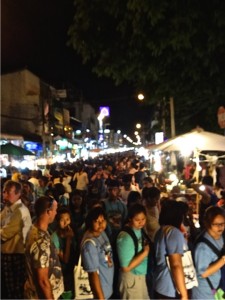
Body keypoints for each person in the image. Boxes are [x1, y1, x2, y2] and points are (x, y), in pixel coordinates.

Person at [24, 196, 64, 299]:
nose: (56, 213)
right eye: (55, 210)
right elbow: (42, 281)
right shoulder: (40, 241)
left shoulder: (35, 228)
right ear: (48, 212)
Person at [0, 180, 32, 299]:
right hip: (8, 255)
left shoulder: (19, 211)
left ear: (18, 193)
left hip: (15, 256)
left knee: (15, 291)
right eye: (3, 192)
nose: (4, 195)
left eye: (8, 192)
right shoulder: (8, 208)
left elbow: (4, 234)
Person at [154, 200, 188, 299]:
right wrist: (184, 294)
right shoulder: (174, 232)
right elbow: (176, 265)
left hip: (160, 284)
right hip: (170, 287)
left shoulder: (162, 230)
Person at [116, 203, 150, 299]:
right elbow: (125, 268)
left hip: (140, 276)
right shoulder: (125, 237)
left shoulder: (139, 230)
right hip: (131, 279)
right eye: (137, 220)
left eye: (143, 219)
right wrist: (145, 253)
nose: (141, 223)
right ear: (130, 219)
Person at [192, 206, 225, 299]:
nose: (220, 227)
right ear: (208, 224)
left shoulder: (220, 236)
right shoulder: (202, 247)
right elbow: (203, 273)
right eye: (216, 224)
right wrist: (223, 260)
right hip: (204, 292)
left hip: (217, 289)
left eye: (223, 223)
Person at [81, 206, 114, 299]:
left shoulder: (101, 233)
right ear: (90, 222)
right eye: (97, 221)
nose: (101, 224)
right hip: (99, 294)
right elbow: (93, 274)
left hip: (107, 290)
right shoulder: (89, 245)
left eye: (103, 220)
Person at [51, 207, 76, 296]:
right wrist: (68, 239)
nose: (65, 223)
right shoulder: (55, 238)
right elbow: (65, 259)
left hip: (72, 271)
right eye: (62, 220)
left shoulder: (72, 232)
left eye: (67, 219)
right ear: (57, 221)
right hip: (62, 273)